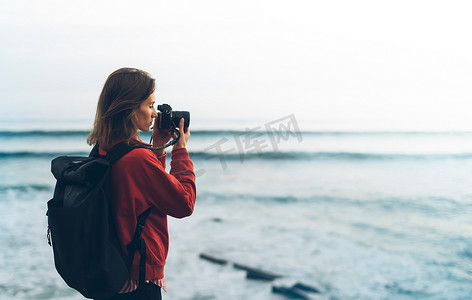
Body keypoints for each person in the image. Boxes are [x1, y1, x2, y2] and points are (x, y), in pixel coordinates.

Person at [87, 67, 196, 300]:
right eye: (149, 105)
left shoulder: (104, 150)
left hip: (112, 272)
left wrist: (157, 144)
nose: (155, 113)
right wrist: (180, 151)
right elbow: (184, 203)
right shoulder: (137, 159)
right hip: (138, 280)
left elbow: (139, 193)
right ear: (129, 108)